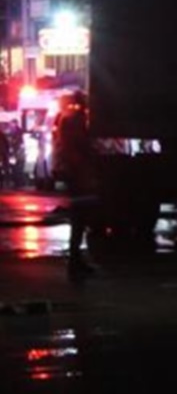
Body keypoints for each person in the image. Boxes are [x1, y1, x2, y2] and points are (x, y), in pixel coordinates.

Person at [54, 91, 99, 281]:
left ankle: (76, 259)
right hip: (80, 177)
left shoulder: (67, 120)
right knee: (80, 220)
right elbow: (82, 147)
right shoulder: (76, 122)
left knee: (79, 221)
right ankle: (75, 260)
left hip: (77, 176)